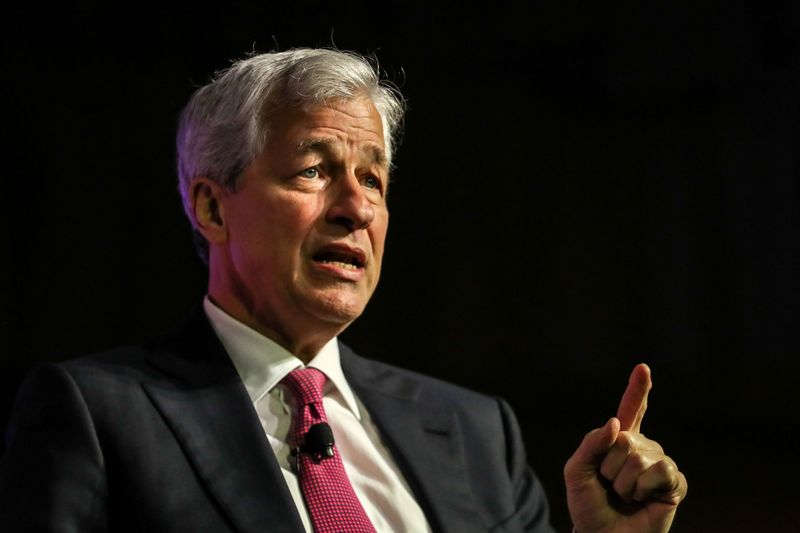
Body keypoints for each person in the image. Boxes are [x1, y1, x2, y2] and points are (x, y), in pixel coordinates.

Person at [0, 48, 687, 532]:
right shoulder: (99, 414)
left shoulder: (476, 431)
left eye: (375, 180)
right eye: (313, 170)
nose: (355, 207)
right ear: (212, 208)